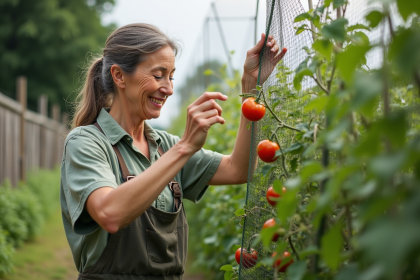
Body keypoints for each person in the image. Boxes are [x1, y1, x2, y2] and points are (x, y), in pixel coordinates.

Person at [60, 23, 284, 279]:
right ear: (119, 76)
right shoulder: (86, 142)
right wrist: (185, 147)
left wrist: (250, 88)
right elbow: (110, 214)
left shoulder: (165, 145)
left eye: (171, 76)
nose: (168, 88)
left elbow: (239, 169)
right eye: (158, 75)